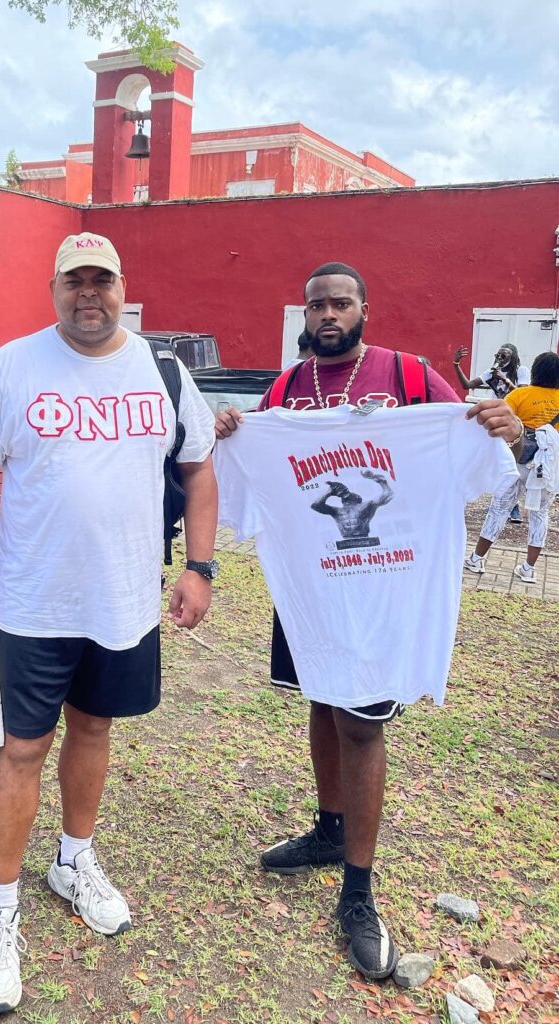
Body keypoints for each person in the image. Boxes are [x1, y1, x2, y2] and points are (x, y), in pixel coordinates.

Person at [214, 262, 523, 982]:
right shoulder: (286, 388)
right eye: (316, 303)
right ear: (305, 312)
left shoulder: (410, 377)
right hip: (312, 586)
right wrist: (233, 427)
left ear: (363, 309)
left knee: (361, 721)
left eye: (340, 302)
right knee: (321, 697)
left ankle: (358, 889)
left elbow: (474, 440)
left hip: (383, 587)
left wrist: (501, 423)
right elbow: (252, 455)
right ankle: (328, 828)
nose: (328, 313)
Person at [0, 232, 218, 1014]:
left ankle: (72, 860)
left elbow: (197, 470)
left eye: (100, 281)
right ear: (54, 289)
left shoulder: (163, 372)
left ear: (121, 287)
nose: (86, 294)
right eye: (73, 282)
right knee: (22, 746)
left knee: (93, 731)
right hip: (33, 601)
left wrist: (199, 568)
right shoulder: (12, 367)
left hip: (124, 598)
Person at [465, 351, 559, 583]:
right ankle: (528, 569)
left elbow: (501, 425)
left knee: (499, 509)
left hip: (517, 461)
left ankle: (477, 559)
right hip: (547, 468)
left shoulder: (520, 395)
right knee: (540, 515)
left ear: (535, 371)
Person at [454, 344, 530, 523]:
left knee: (512, 462)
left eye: (505, 356)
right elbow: (467, 385)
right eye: (499, 355)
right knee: (496, 460)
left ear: (513, 357)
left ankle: (514, 507)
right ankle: (500, 500)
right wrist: (456, 364)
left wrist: (504, 380)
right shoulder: (492, 371)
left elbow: (523, 394)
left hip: (512, 423)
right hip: (496, 421)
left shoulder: (521, 371)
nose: (501, 359)